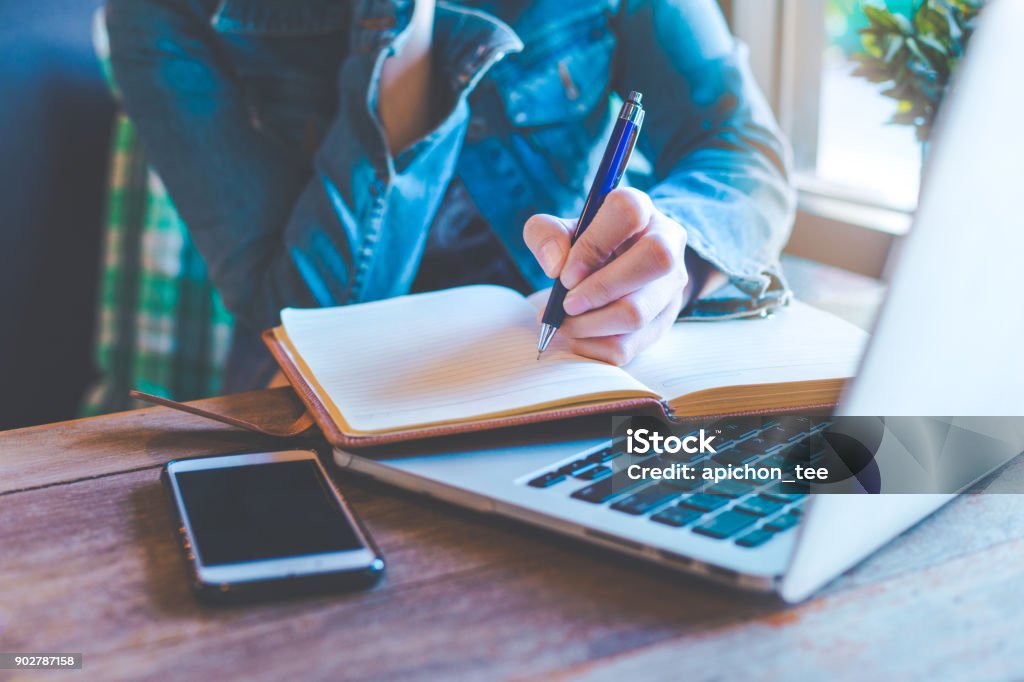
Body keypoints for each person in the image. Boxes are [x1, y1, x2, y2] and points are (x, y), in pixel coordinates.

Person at [104, 0, 794, 393]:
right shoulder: (164, 15)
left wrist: (674, 255)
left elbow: (739, 146)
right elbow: (301, 323)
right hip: (314, 409)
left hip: (555, 369)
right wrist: (400, 30)